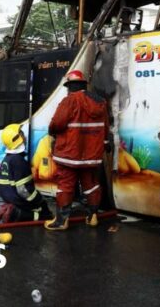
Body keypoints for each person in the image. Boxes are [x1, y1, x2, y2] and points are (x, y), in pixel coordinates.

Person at [44, 70, 109, 231]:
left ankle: (62, 221)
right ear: (83, 85)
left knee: (65, 185)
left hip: (69, 154)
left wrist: (51, 131)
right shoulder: (100, 102)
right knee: (91, 184)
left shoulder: (69, 101)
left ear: (71, 86)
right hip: (91, 155)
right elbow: (106, 128)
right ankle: (93, 216)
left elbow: (57, 124)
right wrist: (105, 142)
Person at [0, 124, 52, 223]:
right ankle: (16, 214)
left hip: (9, 198)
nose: (24, 136)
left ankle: (11, 209)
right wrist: (39, 200)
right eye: (22, 134)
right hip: (18, 200)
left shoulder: (8, 158)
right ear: (17, 139)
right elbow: (23, 191)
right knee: (45, 214)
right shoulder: (19, 161)